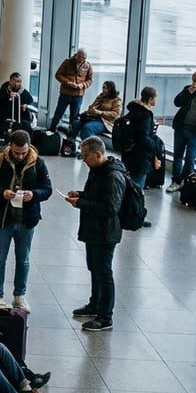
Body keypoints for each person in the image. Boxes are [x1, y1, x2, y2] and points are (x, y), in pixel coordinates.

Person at [0, 130, 52, 312]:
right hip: (3, 219)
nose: (20, 156)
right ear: (10, 146)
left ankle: (19, 295)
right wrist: (1, 192)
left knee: (23, 259)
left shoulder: (38, 164)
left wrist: (34, 194)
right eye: (17, 152)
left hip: (27, 220)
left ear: (29, 148)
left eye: (23, 153)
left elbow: (47, 189)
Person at [65, 136, 125, 332]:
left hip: (105, 233)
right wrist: (81, 195)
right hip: (94, 230)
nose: (83, 160)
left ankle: (105, 316)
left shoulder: (113, 176)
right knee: (94, 268)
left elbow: (110, 208)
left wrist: (81, 203)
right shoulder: (97, 170)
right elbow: (97, 196)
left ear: (98, 154)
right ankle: (95, 304)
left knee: (104, 272)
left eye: (85, 156)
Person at [119, 87, 160, 189]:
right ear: (150, 99)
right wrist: (154, 145)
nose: (156, 100)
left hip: (130, 152)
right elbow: (143, 137)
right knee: (137, 184)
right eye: (155, 98)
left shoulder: (134, 110)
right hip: (141, 155)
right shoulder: (145, 115)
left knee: (131, 180)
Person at [65, 80, 122, 154]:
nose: (103, 90)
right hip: (94, 118)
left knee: (87, 127)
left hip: (106, 122)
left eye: (105, 88)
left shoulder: (116, 100)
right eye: (103, 87)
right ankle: (70, 146)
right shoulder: (101, 96)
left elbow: (116, 114)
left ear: (110, 89)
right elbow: (91, 107)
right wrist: (92, 109)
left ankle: (89, 151)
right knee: (75, 123)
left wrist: (100, 112)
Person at [48, 49, 94, 131]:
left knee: (74, 117)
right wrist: (67, 82)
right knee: (58, 113)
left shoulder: (88, 65)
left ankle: (71, 136)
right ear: (76, 54)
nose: (81, 59)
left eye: (83, 58)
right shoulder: (67, 62)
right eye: (79, 56)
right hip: (65, 93)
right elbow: (58, 75)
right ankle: (51, 130)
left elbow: (90, 80)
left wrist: (81, 85)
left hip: (78, 95)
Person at [0, 72, 36, 137]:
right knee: (4, 128)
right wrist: (7, 97)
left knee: (26, 127)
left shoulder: (24, 92)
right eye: (14, 81)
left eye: (19, 81)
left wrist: (25, 105)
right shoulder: (4, 90)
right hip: (5, 116)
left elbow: (30, 101)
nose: (16, 84)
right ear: (10, 81)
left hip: (20, 117)